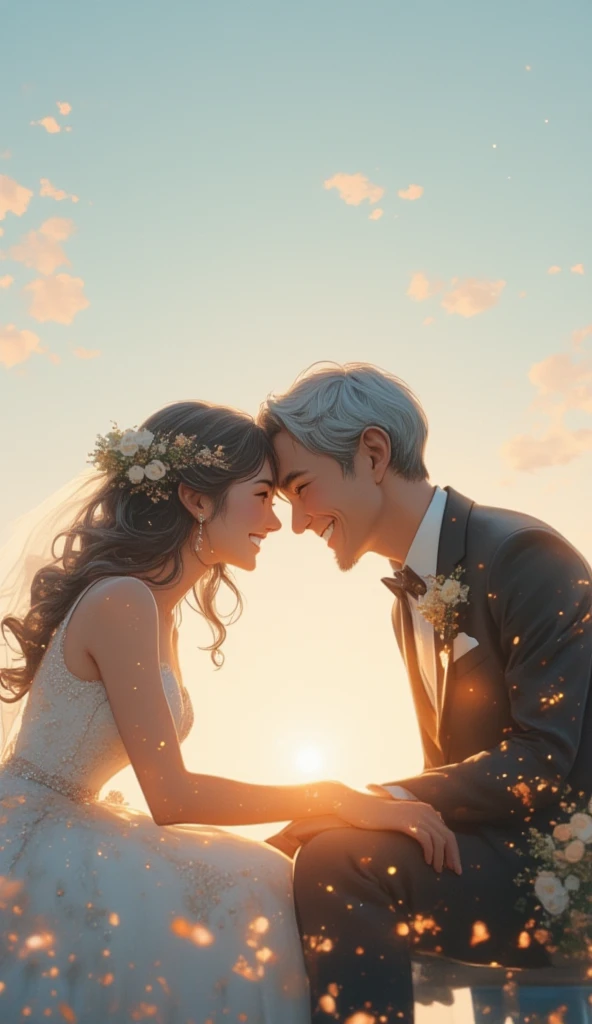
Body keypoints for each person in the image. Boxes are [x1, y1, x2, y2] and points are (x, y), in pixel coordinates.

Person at [0, 399, 457, 1024]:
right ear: (196, 499)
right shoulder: (124, 601)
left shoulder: (156, 610)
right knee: (252, 884)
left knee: (254, 878)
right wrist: (331, 795)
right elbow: (174, 798)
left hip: (75, 821)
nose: (277, 522)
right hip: (33, 842)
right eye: (264, 495)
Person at [259, 362, 592, 1024]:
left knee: (339, 862)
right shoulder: (403, 601)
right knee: (277, 863)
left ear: (373, 454)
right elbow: (454, 776)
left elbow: (542, 763)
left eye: (301, 487)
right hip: (500, 856)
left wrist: (376, 801)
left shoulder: (525, 554)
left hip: (568, 867)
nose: (296, 522)